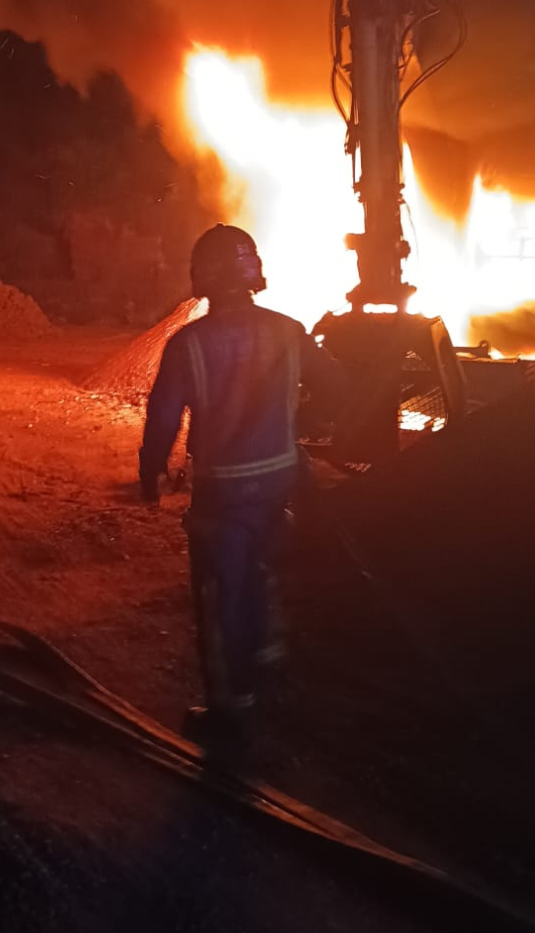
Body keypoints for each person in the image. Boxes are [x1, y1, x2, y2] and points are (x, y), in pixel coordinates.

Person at [138, 224, 345, 736]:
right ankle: (267, 653)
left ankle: (232, 707)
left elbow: (163, 417)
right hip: (279, 479)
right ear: (253, 274)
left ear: (202, 279)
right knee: (261, 568)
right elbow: (338, 386)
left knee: (220, 590)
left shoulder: (188, 344)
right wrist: (297, 424)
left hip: (222, 490)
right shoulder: (288, 329)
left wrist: (150, 470)